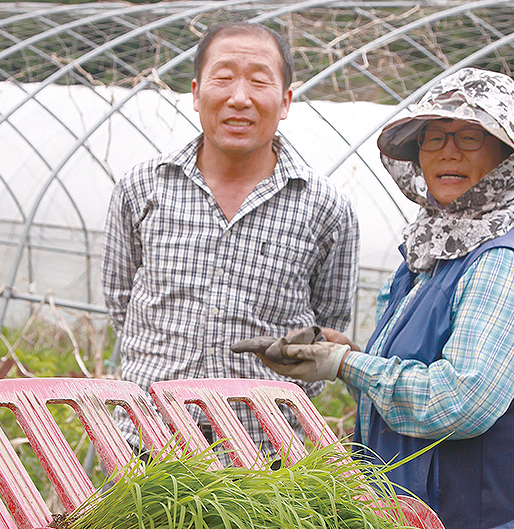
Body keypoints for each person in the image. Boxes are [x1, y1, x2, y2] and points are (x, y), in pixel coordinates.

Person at [242, 68, 514, 529]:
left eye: (469, 136)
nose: (447, 151)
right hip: (410, 508)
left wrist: (345, 365)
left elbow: (461, 401)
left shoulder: (500, 262)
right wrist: (346, 354)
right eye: (433, 137)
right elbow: (407, 372)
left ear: (507, 155)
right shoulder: (433, 249)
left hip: (477, 516)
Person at [100, 22, 360, 455]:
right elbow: (120, 301)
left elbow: (328, 325)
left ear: (286, 101)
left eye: (259, 81)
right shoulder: (143, 187)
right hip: (147, 442)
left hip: (266, 451)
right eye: (223, 78)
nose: (239, 98)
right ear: (197, 92)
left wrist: (282, 413)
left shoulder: (325, 207)